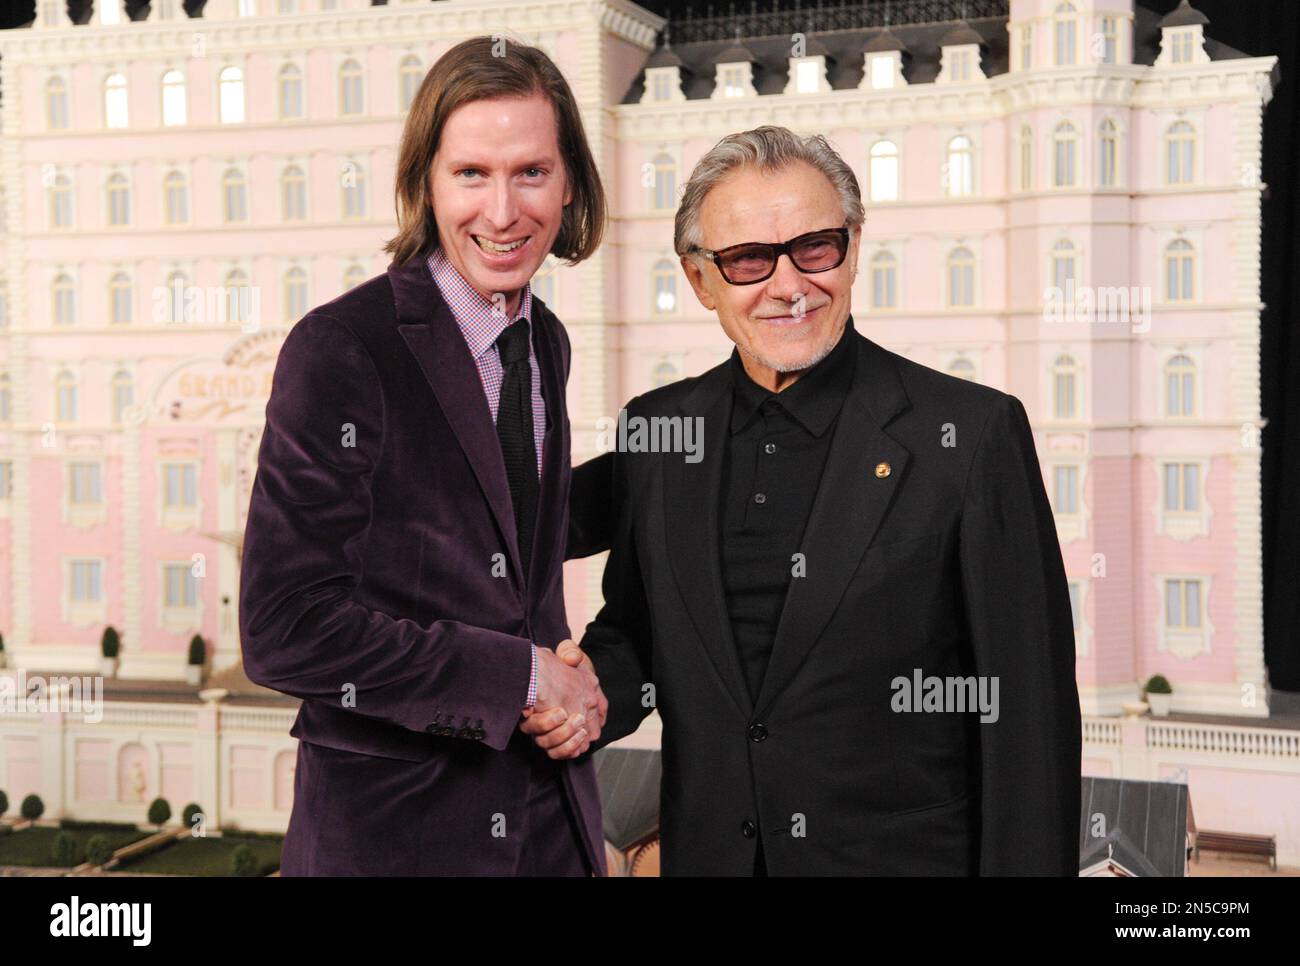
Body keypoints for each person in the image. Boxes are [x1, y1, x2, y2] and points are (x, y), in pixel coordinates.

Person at [533, 125, 1082, 875]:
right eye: (749, 260)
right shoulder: (659, 428)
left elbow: (1028, 723)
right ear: (701, 280)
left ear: (853, 248)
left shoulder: (973, 433)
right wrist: (586, 692)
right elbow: (640, 635)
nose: (789, 286)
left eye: (815, 247)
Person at [240, 36, 608, 876]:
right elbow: (284, 629)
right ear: (425, 183)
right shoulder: (342, 349)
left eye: (533, 172)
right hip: (395, 839)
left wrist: (691, 461)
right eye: (471, 173)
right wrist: (516, 678)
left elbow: (504, 540)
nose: (504, 211)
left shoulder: (542, 338)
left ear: (571, 184)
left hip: (552, 828)